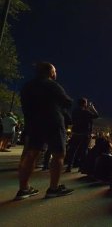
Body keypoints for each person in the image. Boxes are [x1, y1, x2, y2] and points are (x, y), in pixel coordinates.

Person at [16, 62, 73, 200]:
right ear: (50, 72)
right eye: (54, 70)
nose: (55, 73)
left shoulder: (27, 86)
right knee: (58, 154)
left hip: (34, 123)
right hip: (53, 122)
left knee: (31, 155)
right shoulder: (52, 85)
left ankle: (23, 189)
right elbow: (67, 102)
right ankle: (53, 188)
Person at [65, 98, 99, 172]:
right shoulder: (86, 112)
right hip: (85, 134)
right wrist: (92, 108)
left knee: (73, 150)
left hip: (76, 133)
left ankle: (69, 167)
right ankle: (82, 167)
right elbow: (96, 115)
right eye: (86, 103)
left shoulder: (74, 112)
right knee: (84, 151)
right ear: (84, 103)